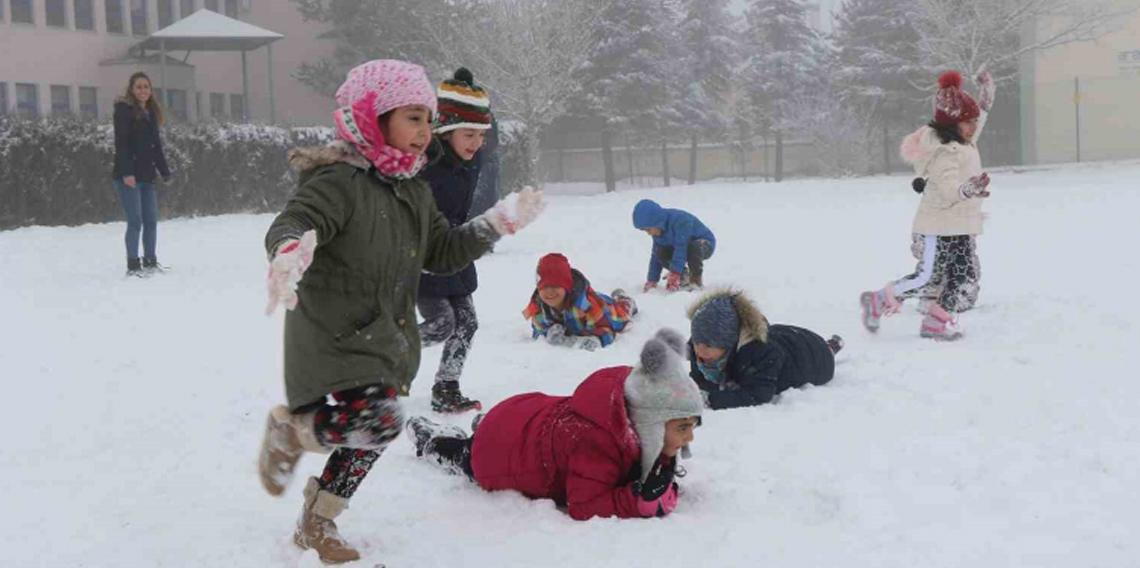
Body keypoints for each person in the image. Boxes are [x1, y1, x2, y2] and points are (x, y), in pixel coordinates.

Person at [254, 59, 544, 565]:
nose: (425, 131)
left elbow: (440, 251)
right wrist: (288, 249)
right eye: (413, 117)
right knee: (380, 421)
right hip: (335, 334)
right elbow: (297, 218)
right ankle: (293, 433)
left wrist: (495, 223)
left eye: (428, 119)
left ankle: (317, 522)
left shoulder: (412, 188)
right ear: (372, 115)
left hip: (384, 335)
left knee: (373, 431)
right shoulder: (338, 180)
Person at [407, 328, 703, 521]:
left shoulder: (632, 399)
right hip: (498, 454)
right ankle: (431, 440)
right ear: (650, 423)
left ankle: (486, 426)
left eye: (691, 425)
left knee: (501, 431)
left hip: (523, 414)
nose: (689, 436)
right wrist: (633, 502)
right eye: (682, 427)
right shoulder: (596, 442)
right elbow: (584, 506)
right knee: (467, 455)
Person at [861, 71, 996, 341]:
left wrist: (985, 100)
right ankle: (877, 300)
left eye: (973, 122)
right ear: (953, 124)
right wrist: (967, 189)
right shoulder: (946, 151)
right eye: (968, 122)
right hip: (937, 226)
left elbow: (975, 122)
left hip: (959, 225)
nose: (973, 126)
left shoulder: (965, 142)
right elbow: (947, 190)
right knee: (929, 277)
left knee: (962, 276)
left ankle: (936, 321)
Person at [417, 68, 494, 414]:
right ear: (446, 130)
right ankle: (381, 355)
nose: (476, 142)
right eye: (469, 134)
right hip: (424, 257)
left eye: (481, 134)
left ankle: (446, 387)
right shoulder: (424, 162)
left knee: (467, 321)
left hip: (456, 250)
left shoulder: (472, 158)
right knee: (439, 324)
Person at [687, 289, 842, 410]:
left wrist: (710, 399)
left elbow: (758, 394)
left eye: (708, 345)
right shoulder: (698, 348)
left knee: (825, 351)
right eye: (696, 342)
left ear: (730, 344)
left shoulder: (760, 354)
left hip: (815, 355)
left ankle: (832, 346)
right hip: (782, 335)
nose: (700, 351)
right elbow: (697, 380)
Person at [112, 72, 171, 277]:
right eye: (139, 87)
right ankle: (133, 264)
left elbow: (156, 146)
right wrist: (127, 172)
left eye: (146, 87)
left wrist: (164, 171)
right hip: (128, 176)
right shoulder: (124, 111)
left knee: (151, 221)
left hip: (147, 175)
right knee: (135, 221)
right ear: (131, 89)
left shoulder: (151, 112)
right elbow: (122, 144)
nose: (143, 90)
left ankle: (150, 260)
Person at [522, 253, 636, 351]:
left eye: (555, 286)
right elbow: (537, 332)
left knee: (622, 315)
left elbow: (607, 331)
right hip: (589, 309)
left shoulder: (587, 305)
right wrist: (547, 334)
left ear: (566, 286)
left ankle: (624, 299)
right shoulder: (538, 308)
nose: (549, 292)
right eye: (544, 287)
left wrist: (596, 339)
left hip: (604, 310)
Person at [631, 199, 715, 292]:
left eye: (648, 230)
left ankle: (695, 281)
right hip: (682, 246)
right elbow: (655, 256)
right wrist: (652, 280)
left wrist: (675, 273)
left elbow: (681, 247)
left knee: (693, 248)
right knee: (660, 252)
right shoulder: (658, 231)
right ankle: (683, 276)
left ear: (656, 222)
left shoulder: (680, 220)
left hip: (704, 243)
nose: (648, 233)